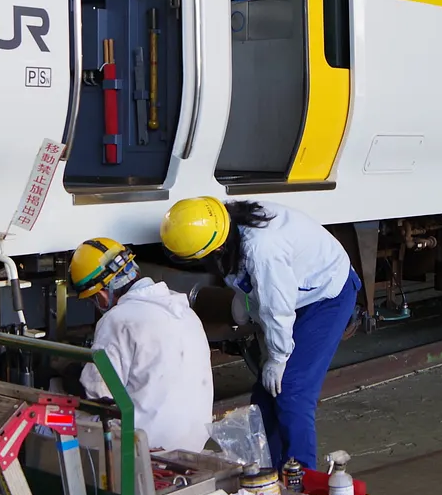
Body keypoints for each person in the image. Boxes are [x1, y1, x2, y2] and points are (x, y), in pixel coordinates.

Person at [159, 197, 360, 470]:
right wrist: (247, 300)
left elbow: (277, 308)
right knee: (265, 397)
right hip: (297, 290)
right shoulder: (221, 225)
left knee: (292, 390)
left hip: (327, 295)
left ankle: (303, 480)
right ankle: (271, 473)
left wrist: (277, 358)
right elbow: (258, 286)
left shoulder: (263, 249)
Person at [67, 237, 213, 452]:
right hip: (195, 442)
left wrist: (69, 378)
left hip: (148, 449)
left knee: (67, 416)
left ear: (102, 294)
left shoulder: (118, 319)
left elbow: (97, 391)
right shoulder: (182, 308)